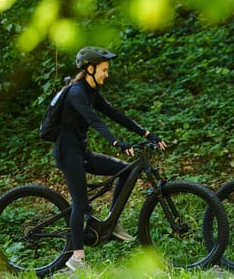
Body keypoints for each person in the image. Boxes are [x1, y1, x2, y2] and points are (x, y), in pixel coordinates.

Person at [53, 46, 167, 272]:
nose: (107, 74)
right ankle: (77, 258)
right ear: (90, 68)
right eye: (104, 70)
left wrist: (146, 134)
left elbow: (115, 115)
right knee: (80, 202)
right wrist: (116, 143)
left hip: (82, 152)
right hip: (68, 153)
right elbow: (95, 121)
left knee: (125, 171)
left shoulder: (92, 92)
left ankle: (111, 223)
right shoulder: (77, 93)